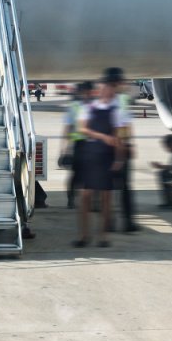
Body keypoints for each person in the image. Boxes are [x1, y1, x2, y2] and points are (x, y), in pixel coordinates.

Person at [73, 79, 128, 248]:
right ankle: (84, 235)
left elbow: (119, 136)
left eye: (109, 89)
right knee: (85, 197)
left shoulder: (116, 111)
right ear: (99, 91)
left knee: (106, 198)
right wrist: (103, 137)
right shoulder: (87, 108)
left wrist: (119, 158)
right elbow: (82, 129)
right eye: (104, 89)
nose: (107, 92)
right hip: (91, 154)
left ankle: (103, 236)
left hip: (107, 156)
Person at [99, 67, 140, 233]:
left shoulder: (101, 99)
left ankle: (108, 223)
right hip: (118, 149)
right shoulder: (121, 101)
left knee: (106, 188)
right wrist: (125, 150)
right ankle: (128, 223)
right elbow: (123, 128)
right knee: (125, 189)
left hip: (103, 149)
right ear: (116, 82)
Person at [61, 81, 92, 209]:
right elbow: (68, 128)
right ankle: (71, 199)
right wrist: (64, 149)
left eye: (88, 91)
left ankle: (90, 201)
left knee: (91, 174)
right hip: (78, 144)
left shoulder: (94, 106)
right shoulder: (74, 107)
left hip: (91, 144)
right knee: (75, 174)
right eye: (85, 91)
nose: (87, 94)